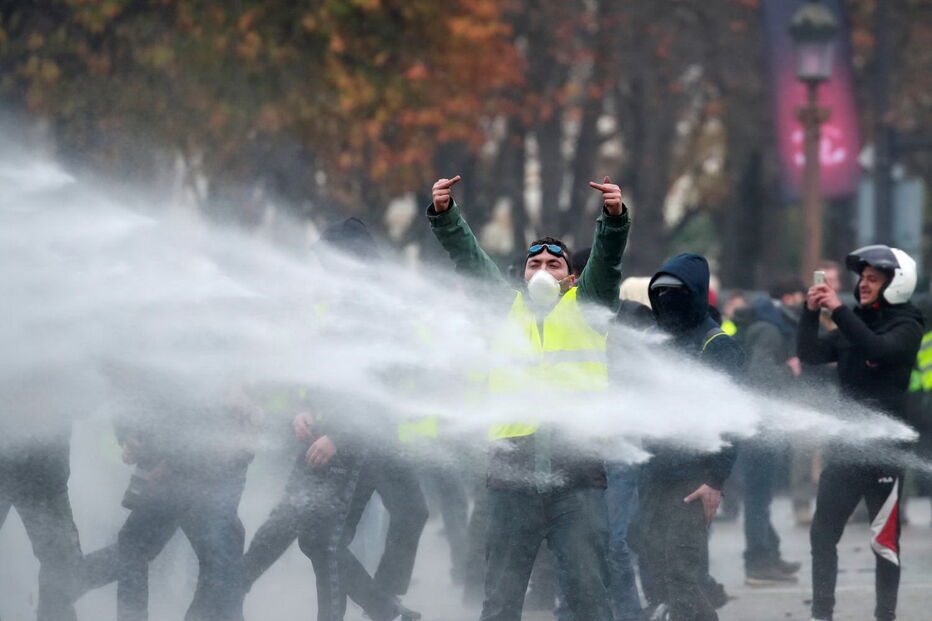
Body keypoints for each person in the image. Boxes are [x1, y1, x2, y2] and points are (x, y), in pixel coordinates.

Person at [427, 174, 629, 621]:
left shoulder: (588, 305)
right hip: (510, 480)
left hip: (577, 480)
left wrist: (613, 218)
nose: (542, 270)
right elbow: (469, 258)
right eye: (533, 263)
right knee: (500, 600)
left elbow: (607, 260)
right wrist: (446, 215)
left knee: (590, 596)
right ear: (521, 275)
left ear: (571, 278)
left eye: (553, 265)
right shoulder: (504, 309)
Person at [240, 218, 427, 621]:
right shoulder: (346, 302)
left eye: (329, 260)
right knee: (315, 535)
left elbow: (379, 383)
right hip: (339, 433)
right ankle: (386, 609)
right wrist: (305, 408)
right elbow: (330, 373)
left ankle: (384, 607)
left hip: (357, 437)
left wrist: (337, 435)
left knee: (322, 537)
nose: (324, 269)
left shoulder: (378, 308)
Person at [798, 245, 923, 621]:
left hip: (885, 452)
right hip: (846, 449)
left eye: (873, 279)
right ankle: (822, 614)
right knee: (822, 534)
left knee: (884, 543)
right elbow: (810, 355)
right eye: (862, 279)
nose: (863, 284)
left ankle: (885, 615)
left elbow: (878, 349)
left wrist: (838, 310)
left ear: (896, 283)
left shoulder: (907, 325)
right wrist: (810, 313)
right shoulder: (853, 322)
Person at [81, 371, 259, 621]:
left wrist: (161, 455)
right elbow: (130, 386)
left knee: (216, 554)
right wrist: (130, 435)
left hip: (207, 461)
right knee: (215, 554)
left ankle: (63, 582)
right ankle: (64, 582)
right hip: (187, 460)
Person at [629, 253, 744, 621]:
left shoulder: (717, 345)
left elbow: (734, 419)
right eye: (661, 294)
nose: (668, 301)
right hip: (652, 475)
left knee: (681, 575)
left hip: (693, 482)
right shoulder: (652, 338)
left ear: (695, 294)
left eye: (676, 294)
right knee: (653, 566)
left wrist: (715, 481)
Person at [734, 279, 805, 585]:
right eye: (801, 297)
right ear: (788, 299)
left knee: (759, 496)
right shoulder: (769, 330)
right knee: (758, 498)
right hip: (760, 427)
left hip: (757, 424)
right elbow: (760, 377)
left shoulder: (766, 324)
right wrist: (789, 370)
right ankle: (757, 563)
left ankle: (769, 554)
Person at [0, 371, 84, 621]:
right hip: (29, 471)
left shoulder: (66, 362)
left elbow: (86, 400)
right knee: (62, 561)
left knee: (62, 563)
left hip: (45, 476)